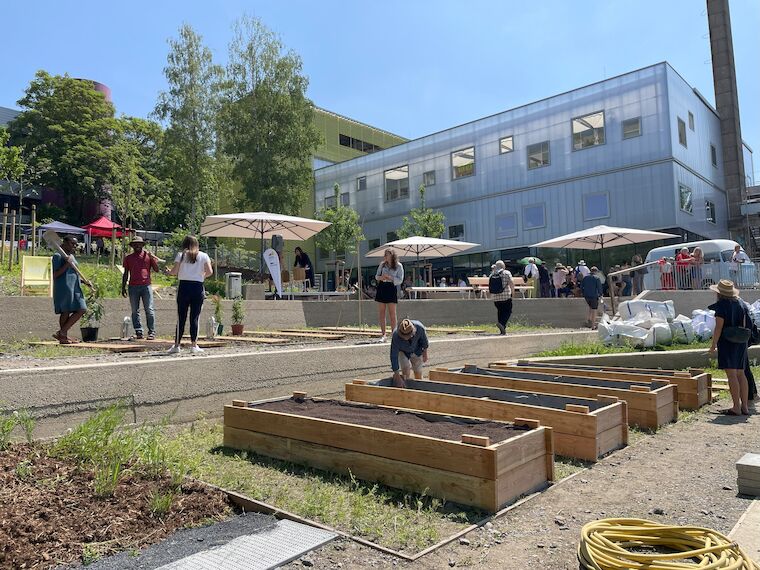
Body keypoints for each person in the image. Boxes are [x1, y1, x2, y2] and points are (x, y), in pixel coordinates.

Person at [708, 279, 751, 415]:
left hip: (727, 342)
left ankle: (735, 407)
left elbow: (718, 327)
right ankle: (744, 406)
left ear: (719, 293)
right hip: (741, 340)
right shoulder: (741, 303)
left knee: (731, 375)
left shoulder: (721, 306)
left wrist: (713, 344)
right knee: (741, 373)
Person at [166, 236, 213, 355]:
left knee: (181, 317)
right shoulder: (204, 255)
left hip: (184, 287)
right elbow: (210, 272)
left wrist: (168, 272)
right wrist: (200, 276)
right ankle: (194, 345)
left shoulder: (181, 255)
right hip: (197, 287)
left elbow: (174, 272)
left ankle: (177, 345)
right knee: (195, 317)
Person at [52, 235, 92, 344]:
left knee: (81, 308)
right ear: (64, 243)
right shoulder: (57, 256)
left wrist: (85, 282)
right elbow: (55, 275)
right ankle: (63, 337)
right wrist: (66, 264)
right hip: (64, 287)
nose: (74, 246)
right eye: (72, 243)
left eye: (75, 244)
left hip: (75, 287)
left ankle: (62, 332)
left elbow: (74, 273)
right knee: (66, 311)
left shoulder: (71, 256)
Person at [121, 236, 159, 340]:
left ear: (143, 245)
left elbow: (156, 269)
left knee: (149, 309)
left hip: (146, 285)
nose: (137, 246)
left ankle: (151, 332)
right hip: (133, 286)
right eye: (135, 244)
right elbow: (125, 273)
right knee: (135, 310)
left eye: (139, 244)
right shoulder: (128, 258)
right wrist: (123, 287)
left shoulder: (148, 256)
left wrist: (152, 258)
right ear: (132, 246)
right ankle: (139, 331)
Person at [390, 318, 429, 388]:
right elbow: (394, 356)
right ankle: (406, 386)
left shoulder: (420, 328)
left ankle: (419, 388)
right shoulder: (395, 335)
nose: (405, 339)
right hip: (403, 351)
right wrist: (397, 375)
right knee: (405, 369)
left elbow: (424, 342)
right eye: (403, 337)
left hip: (417, 350)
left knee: (418, 371)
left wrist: (425, 354)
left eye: (407, 336)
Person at [375, 249, 403, 342]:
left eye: (388, 255)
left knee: (392, 313)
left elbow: (400, 280)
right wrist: (381, 277)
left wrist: (390, 277)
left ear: (392, 255)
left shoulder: (398, 266)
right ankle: (383, 335)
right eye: (385, 255)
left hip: (391, 287)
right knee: (381, 313)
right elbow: (376, 276)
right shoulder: (382, 264)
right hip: (382, 286)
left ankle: (394, 334)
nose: (386, 256)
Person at [489, 260, 516, 334]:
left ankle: (502, 329)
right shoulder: (506, 273)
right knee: (508, 311)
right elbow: (511, 283)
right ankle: (502, 324)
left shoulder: (492, 274)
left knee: (500, 311)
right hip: (505, 296)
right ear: (503, 266)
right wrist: (513, 293)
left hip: (495, 298)